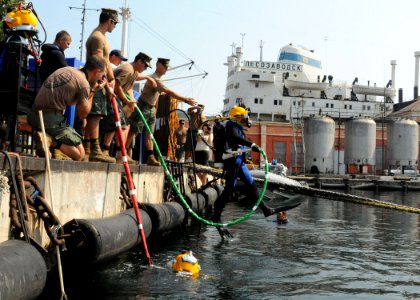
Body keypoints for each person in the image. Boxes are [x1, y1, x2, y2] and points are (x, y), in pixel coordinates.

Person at [212, 105, 296, 240]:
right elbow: (235, 139)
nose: (247, 119)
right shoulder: (231, 126)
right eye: (245, 116)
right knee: (229, 190)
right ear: (239, 117)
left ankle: (266, 210)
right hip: (233, 162)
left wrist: (249, 146)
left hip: (240, 162)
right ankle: (216, 216)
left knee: (252, 186)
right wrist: (252, 145)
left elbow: (241, 141)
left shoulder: (238, 127)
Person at [28, 55, 107, 161]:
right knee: (80, 154)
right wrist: (93, 90)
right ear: (97, 72)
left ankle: (50, 139)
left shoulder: (68, 70)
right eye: (102, 75)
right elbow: (82, 114)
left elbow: (69, 102)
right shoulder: (84, 84)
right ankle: (50, 139)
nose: (101, 78)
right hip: (49, 119)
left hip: (34, 115)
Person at [126, 57, 197, 166]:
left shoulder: (158, 79)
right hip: (144, 106)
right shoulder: (154, 78)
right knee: (134, 130)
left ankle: (150, 156)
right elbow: (168, 91)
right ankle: (124, 153)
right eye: (165, 67)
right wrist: (185, 99)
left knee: (150, 134)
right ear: (158, 65)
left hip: (151, 109)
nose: (166, 70)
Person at [101, 52, 157, 164]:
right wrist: (126, 100)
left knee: (124, 125)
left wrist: (132, 101)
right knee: (115, 124)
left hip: (116, 97)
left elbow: (130, 86)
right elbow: (117, 86)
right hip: (109, 96)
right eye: (145, 66)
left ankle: (120, 153)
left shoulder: (134, 72)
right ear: (139, 61)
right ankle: (105, 151)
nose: (145, 69)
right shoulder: (127, 69)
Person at [83, 8, 119, 163]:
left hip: (102, 80)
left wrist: (112, 79)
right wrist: (106, 86)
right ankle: (94, 149)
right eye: (115, 23)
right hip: (96, 81)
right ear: (109, 21)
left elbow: (105, 63)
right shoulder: (97, 37)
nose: (115, 27)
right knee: (95, 115)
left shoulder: (102, 37)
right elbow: (98, 64)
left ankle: (88, 149)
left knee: (96, 115)